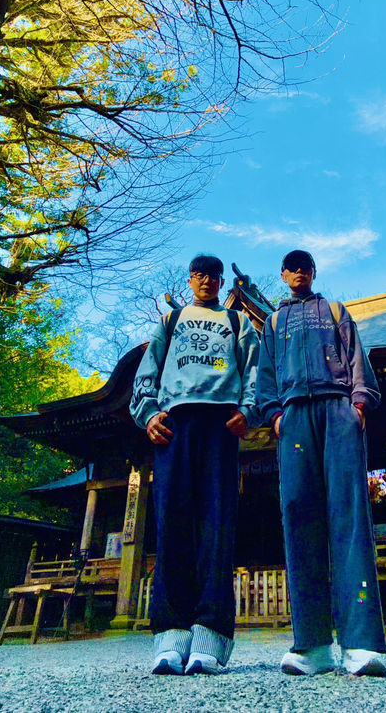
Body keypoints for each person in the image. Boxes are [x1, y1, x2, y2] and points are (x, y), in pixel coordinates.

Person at [255, 249, 386, 677]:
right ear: (283, 275)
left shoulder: (334, 309)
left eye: (305, 267)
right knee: (297, 514)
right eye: (292, 267)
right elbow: (265, 374)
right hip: (294, 415)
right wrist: (274, 414)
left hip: (337, 408)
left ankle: (361, 644)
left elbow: (356, 357)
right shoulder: (273, 322)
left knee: (350, 516)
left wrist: (359, 405)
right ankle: (311, 645)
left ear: (313, 272)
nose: (299, 273)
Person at [130, 254, 259, 676]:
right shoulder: (171, 321)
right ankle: (170, 636)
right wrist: (148, 413)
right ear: (190, 280)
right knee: (172, 524)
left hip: (221, 421)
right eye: (200, 275)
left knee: (217, 525)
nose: (207, 281)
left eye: (214, 276)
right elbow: (146, 372)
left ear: (223, 282)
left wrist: (250, 409)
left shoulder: (237, 322)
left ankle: (210, 635)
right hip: (175, 421)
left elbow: (256, 370)